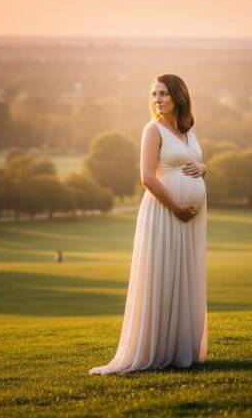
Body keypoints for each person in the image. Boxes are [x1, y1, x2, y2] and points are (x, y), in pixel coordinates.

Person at [89, 74, 208, 374]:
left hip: (190, 219)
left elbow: (194, 163)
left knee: (184, 276)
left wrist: (203, 167)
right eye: (154, 94)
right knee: (163, 274)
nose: (157, 99)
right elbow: (147, 177)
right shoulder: (152, 130)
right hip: (165, 213)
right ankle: (155, 350)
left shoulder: (187, 130)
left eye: (164, 93)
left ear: (179, 96)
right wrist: (177, 207)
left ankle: (180, 349)